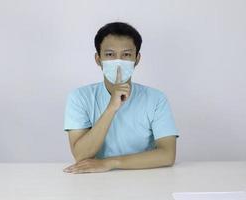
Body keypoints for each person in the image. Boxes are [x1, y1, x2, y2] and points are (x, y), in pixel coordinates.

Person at [63, 22, 179, 174]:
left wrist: (110, 163)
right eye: (110, 55)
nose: (118, 62)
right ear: (98, 59)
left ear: (137, 59)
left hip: (147, 178)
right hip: (95, 181)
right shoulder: (79, 97)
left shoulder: (156, 98)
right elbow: (80, 155)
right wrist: (112, 107)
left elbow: (167, 155)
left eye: (126, 55)